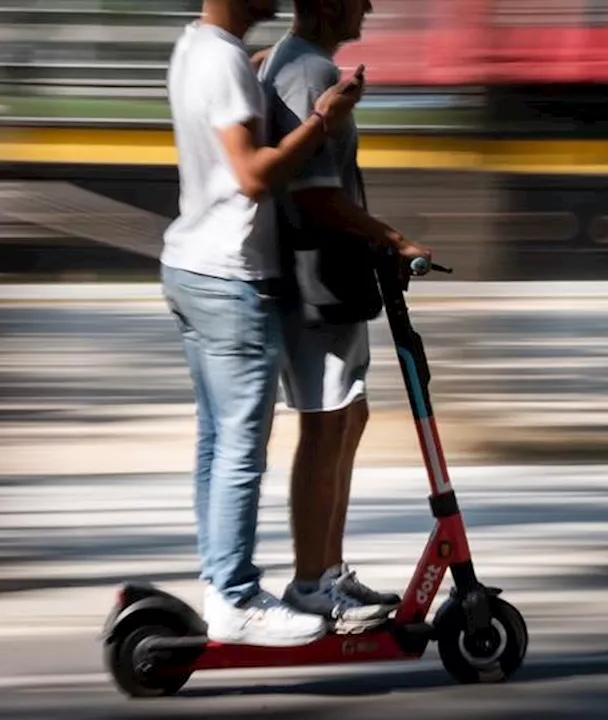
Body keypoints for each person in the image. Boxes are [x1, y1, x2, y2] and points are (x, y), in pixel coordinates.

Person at [158, 0, 366, 647]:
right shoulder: (221, 60)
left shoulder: (196, 48)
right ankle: (237, 598)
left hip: (188, 264)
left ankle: (220, 583)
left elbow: (229, 100)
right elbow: (252, 177)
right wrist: (322, 121)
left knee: (217, 443)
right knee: (242, 448)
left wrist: (260, 70)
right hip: (229, 274)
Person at [257, 0, 432, 634]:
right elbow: (318, 198)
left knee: (346, 417)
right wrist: (393, 238)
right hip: (315, 277)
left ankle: (326, 573)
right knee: (325, 425)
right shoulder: (306, 73)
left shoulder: (301, 63)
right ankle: (311, 583)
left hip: (327, 275)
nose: (369, 5)